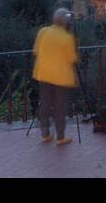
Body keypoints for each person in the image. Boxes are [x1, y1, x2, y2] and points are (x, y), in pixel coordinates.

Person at [33, 8, 79, 146]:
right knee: (60, 107)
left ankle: (45, 133)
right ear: (66, 21)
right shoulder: (67, 38)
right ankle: (60, 137)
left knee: (45, 104)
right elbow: (72, 59)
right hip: (60, 77)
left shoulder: (43, 32)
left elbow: (36, 51)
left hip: (43, 74)